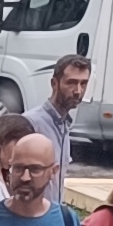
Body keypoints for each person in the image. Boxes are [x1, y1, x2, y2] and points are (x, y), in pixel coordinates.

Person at [19, 52, 90, 201]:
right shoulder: (31, 123)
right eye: (71, 83)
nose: (78, 91)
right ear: (54, 84)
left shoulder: (64, 125)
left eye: (83, 84)